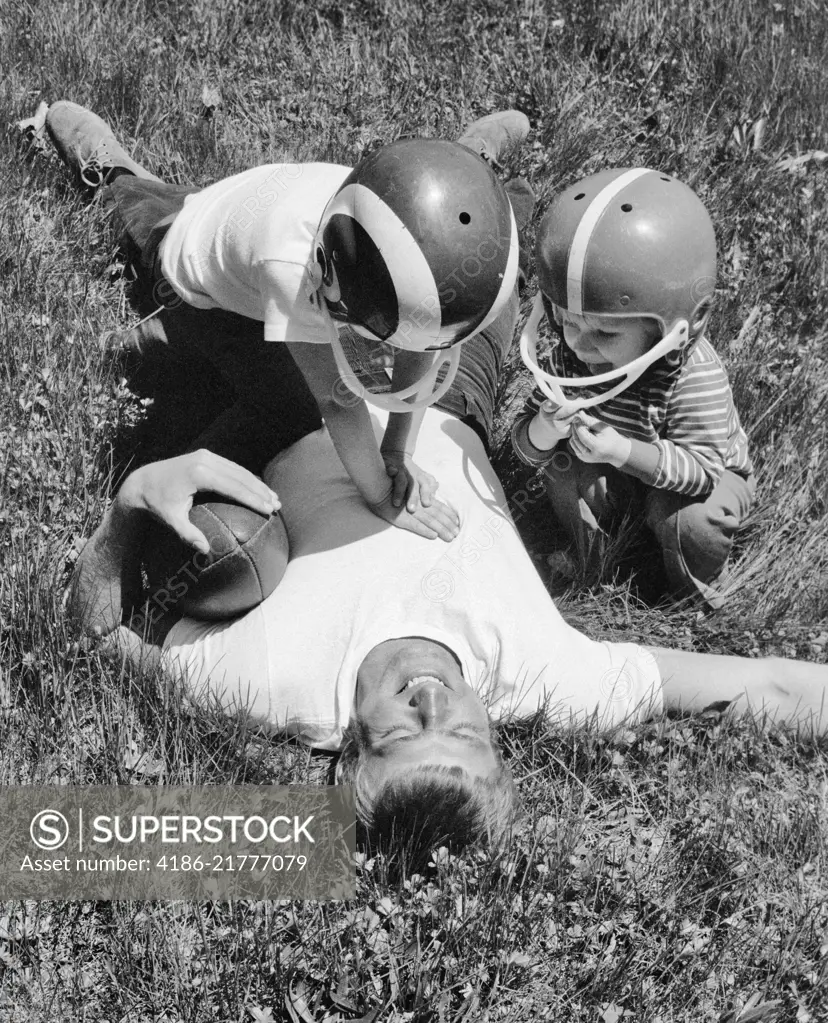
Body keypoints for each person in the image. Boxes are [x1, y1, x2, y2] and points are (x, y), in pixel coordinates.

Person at [38, 100, 530, 547]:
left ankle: (469, 162)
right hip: (195, 275)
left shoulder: (383, 209)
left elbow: (421, 351)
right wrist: (381, 493)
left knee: (473, 233)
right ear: (330, 274)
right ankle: (108, 167)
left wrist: (397, 449)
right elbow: (338, 401)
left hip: (244, 224)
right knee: (289, 408)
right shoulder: (293, 268)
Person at [512, 168, 755, 608]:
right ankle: (600, 564)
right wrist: (544, 430)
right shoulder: (574, 357)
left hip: (699, 477)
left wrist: (622, 452)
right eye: (566, 321)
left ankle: (693, 597)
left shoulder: (691, 375)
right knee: (562, 466)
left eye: (605, 334)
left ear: (676, 327)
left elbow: (702, 473)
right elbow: (525, 450)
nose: (578, 343)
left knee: (689, 520)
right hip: (620, 467)